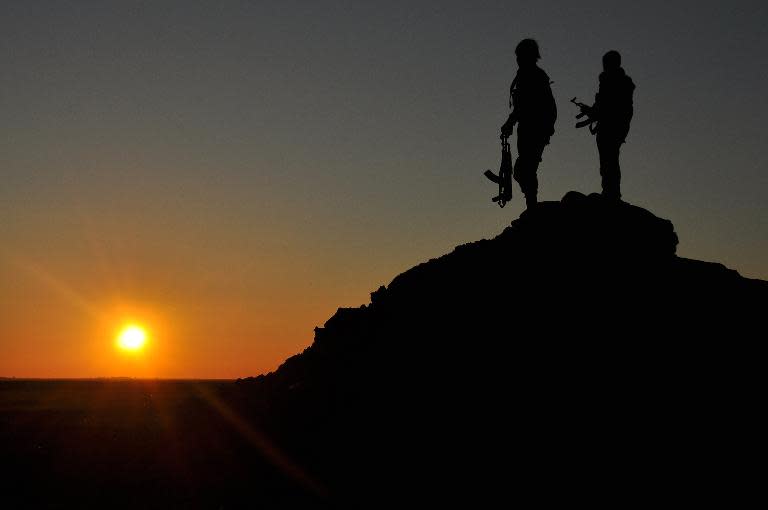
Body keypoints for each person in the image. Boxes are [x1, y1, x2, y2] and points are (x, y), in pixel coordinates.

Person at [500, 38, 557, 209]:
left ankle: (532, 205)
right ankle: (531, 203)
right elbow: (521, 107)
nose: (517, 60)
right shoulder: (527, 75)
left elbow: (526, 106)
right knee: (524, 169)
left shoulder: (533, 76)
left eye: (520, 56)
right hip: (529, 129)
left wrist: (510, 123)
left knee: (526, 168)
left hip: (535, 129)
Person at [591, 50, 635, 200]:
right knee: (609, 160)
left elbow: (608, 106)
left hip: (611, 128)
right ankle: (611, 191)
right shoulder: (618, 82)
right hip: (614, 127)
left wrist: (595, 112)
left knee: (609, 160)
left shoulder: (613, 82)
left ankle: (611, 192)